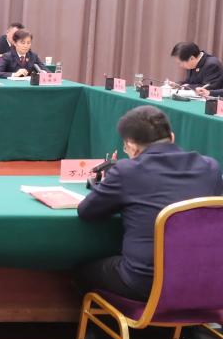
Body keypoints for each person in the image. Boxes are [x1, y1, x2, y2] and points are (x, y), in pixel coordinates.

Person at [76, 106, 222, 304]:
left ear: (131, 146)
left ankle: (106, 323)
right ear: (172, 136)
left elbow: (87, 212)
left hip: (145, 283)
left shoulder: (127, 171)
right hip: (207, 281)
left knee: (82, 272)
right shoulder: (210, 167)